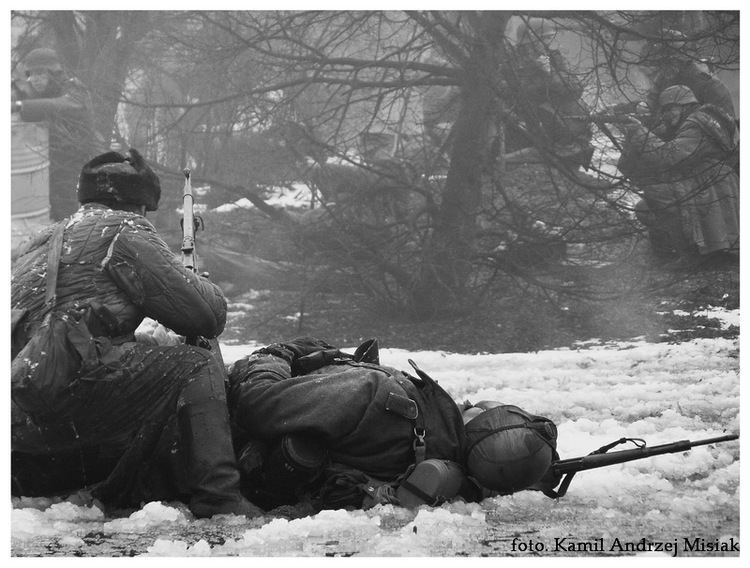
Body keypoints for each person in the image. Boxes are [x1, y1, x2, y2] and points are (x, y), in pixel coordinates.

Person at [11, 149, 262, 519]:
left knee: (149, 353)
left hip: (22, 417)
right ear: (139, 204)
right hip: (74, 399)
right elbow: (203, 317)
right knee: (194, 364)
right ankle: (219, 495)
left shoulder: (37, 244)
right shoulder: (124, 230)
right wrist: (199, 284)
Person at [226, 337, 559, 513]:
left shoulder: (373, 393)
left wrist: (275, 355)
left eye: (478, 408)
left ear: (480, 421)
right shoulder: (460, 477)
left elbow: (255, 403)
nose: (471, 404)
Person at [619, 85, 739, 260]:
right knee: (651, 201)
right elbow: (631, 166)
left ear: (684, 106)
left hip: (709, 187)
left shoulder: (695, 125)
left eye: (670, 109)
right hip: (714, 184)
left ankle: (690, 254)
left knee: (654, 198)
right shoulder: (701, 120)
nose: (666, 115)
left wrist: (639, 131)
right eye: (664, 111)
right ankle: (695, 251)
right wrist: (641, 132)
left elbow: (668, 156)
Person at [11, 47, 103, 221]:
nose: (34, 79)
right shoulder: (39, 93)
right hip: (51, 167)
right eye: (31, 74)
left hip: (78, 166)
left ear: (53, 72)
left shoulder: (73, 89)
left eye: (40, 73)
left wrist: (21, 105)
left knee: (69, 218)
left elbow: (69, 105)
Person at [502, 18, 593, 168]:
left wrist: (550, 74)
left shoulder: (554, 58)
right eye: (544, 38)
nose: (547, 43)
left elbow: (575, 89)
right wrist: (534, 76)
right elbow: (507, 93)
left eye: (549, 38)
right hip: (521, 123)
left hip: (556, 124)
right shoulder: (511, 62)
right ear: (529, 39)